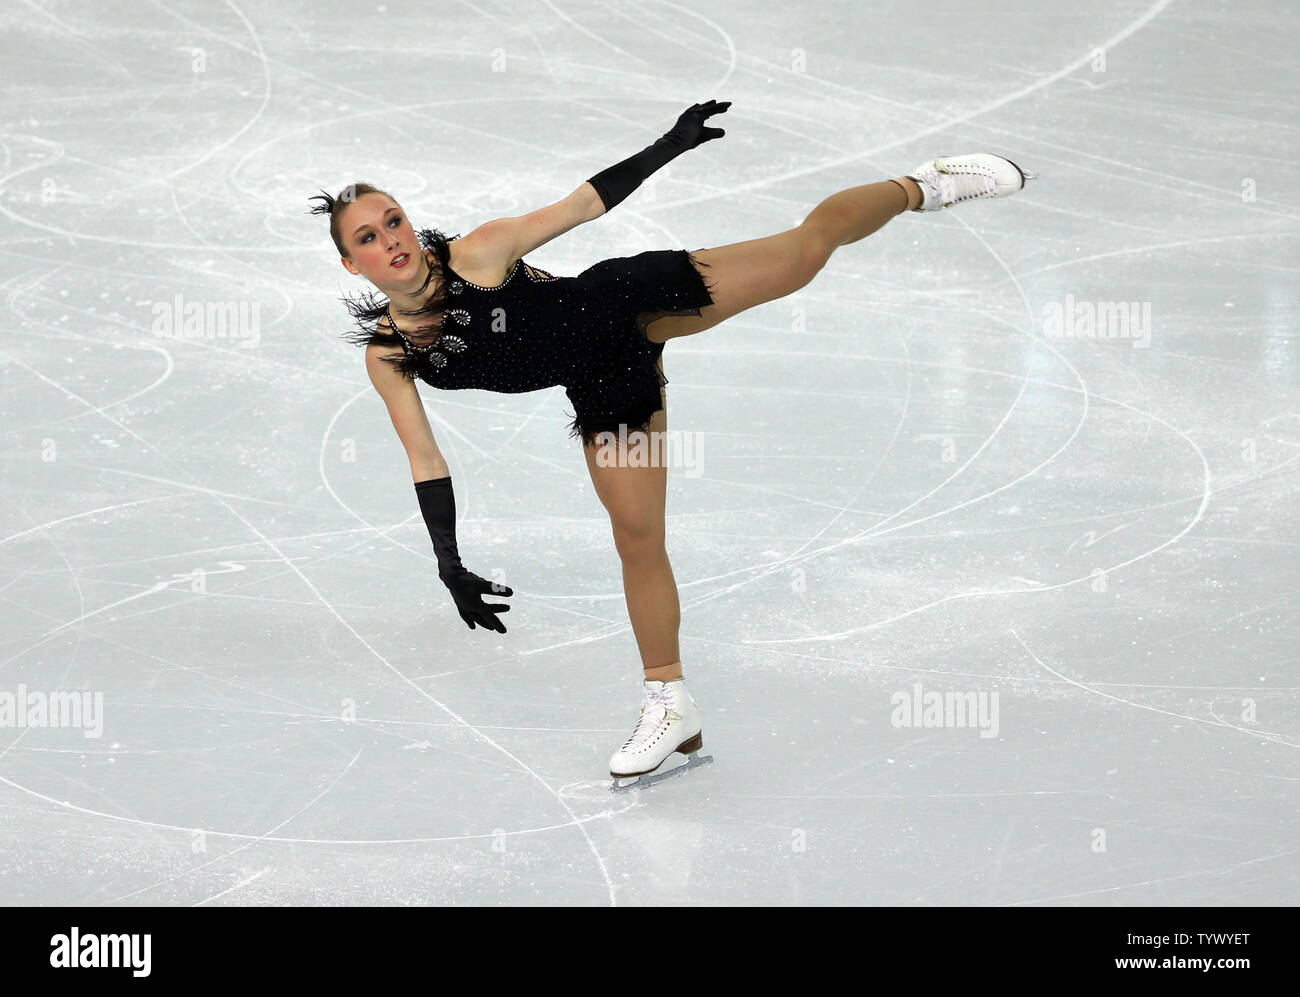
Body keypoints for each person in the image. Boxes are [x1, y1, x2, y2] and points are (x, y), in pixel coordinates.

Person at [309, 100, 1035, 781]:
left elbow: (582, 203)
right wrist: (448, 562)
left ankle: (924, 186)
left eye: (394, 220)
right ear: (352, 263)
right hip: (603, 383)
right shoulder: (389, 354)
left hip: (633, 299)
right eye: (368, 238)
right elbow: (425, 458)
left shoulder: (478, 254)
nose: (391, 240)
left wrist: (668, 146)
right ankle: (671, 705)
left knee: (806, 252)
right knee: (636, 535)